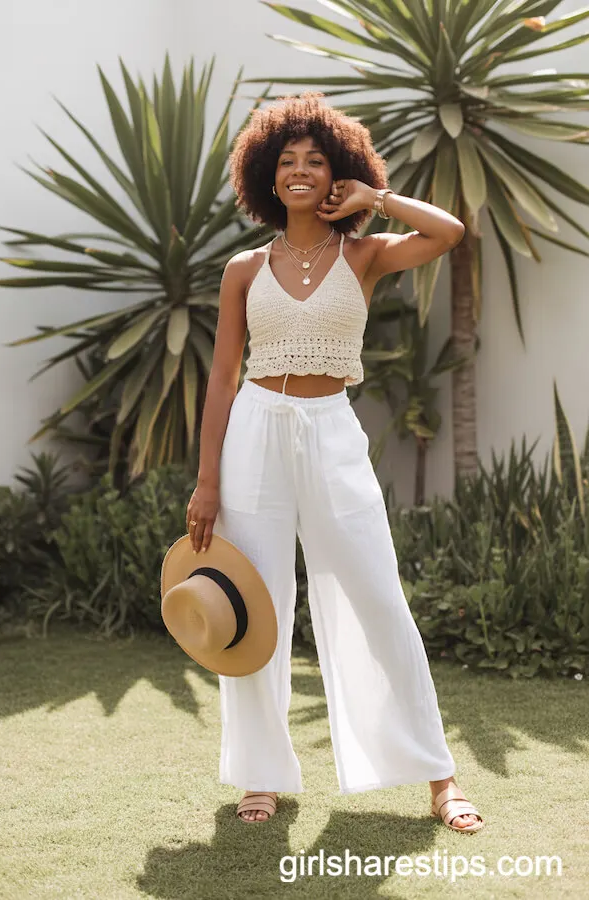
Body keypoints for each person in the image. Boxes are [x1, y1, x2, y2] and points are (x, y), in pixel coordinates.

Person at [185, 92, 484, 833]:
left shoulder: (366, 252)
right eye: (286, 161)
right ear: (265, 175)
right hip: (255, 430)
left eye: (316, 162)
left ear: (337, 174)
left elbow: (448, 233)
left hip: (331, 431)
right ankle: (260, 775)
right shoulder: (243, 268)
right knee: (258, 607)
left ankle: (438, 777)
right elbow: (222, 379)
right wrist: (207, 482)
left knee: (378, 596)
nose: (299, 171)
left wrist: (376, 198)